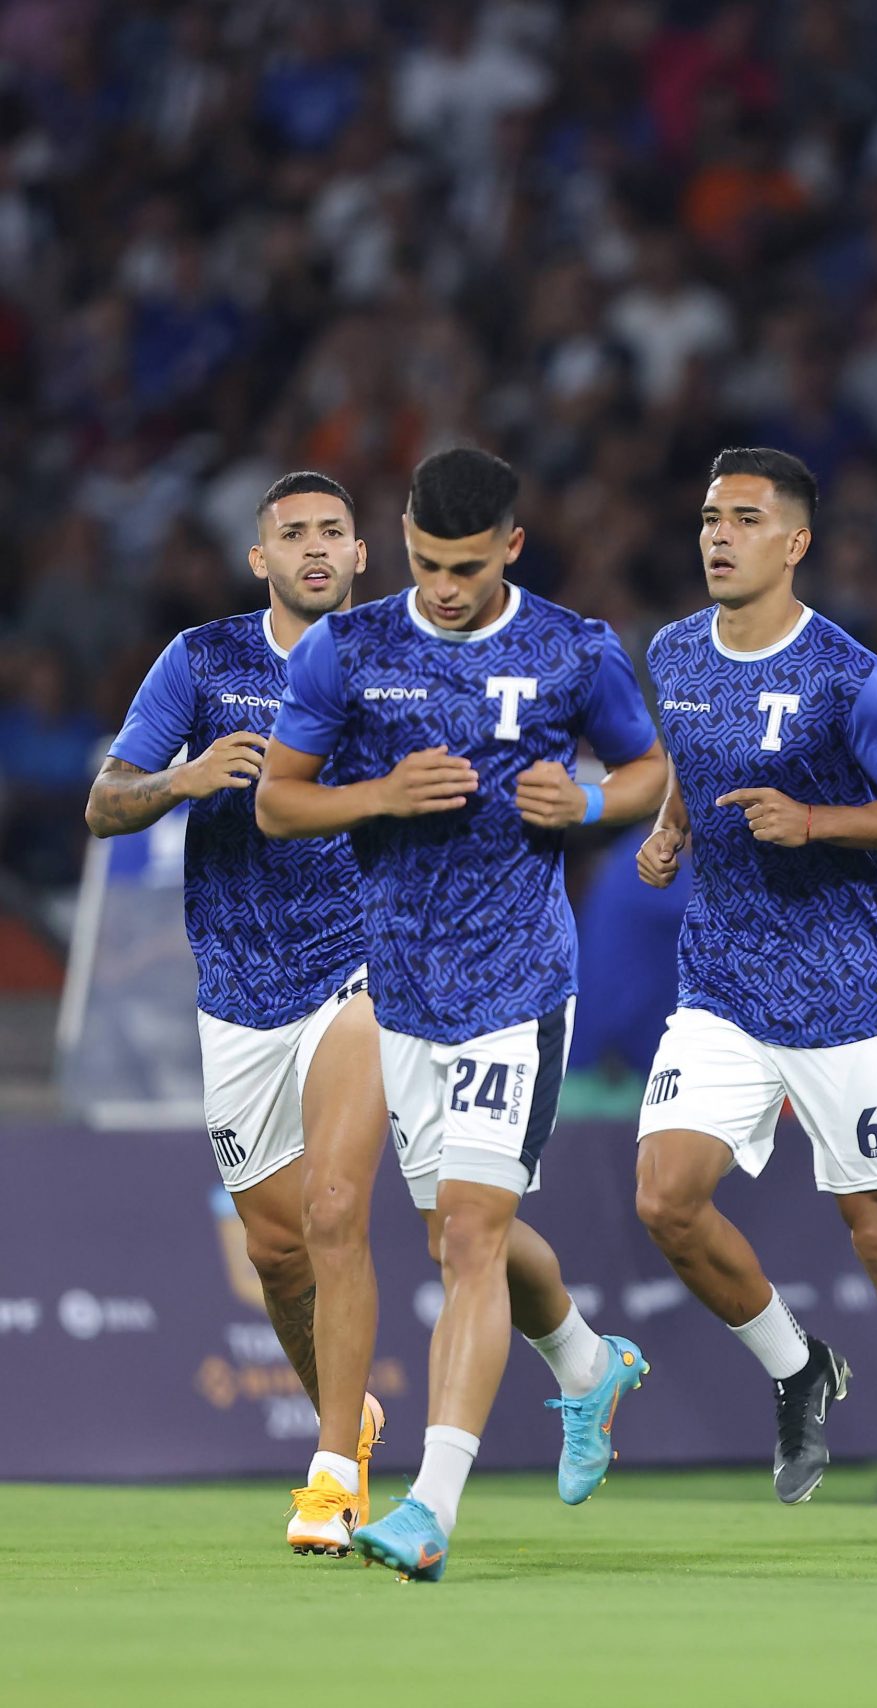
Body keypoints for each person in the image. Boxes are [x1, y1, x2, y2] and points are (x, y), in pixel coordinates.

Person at [258, 447, 671, 1582]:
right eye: (426, 561)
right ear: (401, 537)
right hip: (401, 991)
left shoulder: (575, 649)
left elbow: (649, 771)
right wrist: (379, 795)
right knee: (456, 1231)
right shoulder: (352, 646)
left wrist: (590, 799)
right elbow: (278, 798)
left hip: (520, 983)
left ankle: (429, 1507)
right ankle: (588, 1362)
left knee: (472, 1239)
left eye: (466, 565)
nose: (442, 585)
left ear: (511, 549)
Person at [629, 447, 877, 1556]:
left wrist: (817, 821)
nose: (717, 535)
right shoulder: (675, 650)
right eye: (706, 516)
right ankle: (799, 1364)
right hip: (724, 986)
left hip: (846, 996)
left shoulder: (847, 675)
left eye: (743, 518)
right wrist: (672, 824)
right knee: (664, 1200)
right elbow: (693, 753)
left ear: (795, 543)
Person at [87, 471, 389, 1556]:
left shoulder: (402, 665)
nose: (315, 548)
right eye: (292, 535)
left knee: (337, 1202)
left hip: (362, 972)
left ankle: (332, 1476)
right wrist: (186, 778)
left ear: (361, 554)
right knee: (274, 1249)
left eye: (333, 533)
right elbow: (103, 802)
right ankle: (347, 1416)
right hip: (239, 990)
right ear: (259, 559)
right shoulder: (200, 662)